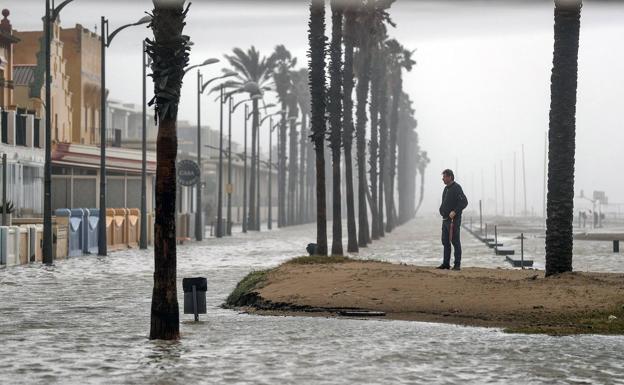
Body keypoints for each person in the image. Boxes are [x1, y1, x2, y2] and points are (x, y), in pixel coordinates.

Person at [438, 169, 468, 270]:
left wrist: (454, 212)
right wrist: (441, 210)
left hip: (454, 220)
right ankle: (446, 263)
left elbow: (464, 202)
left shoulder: (457, 188)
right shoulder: (446, 189)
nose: (443, 179)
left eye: (444, 176)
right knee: (445, 242)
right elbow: (444, 203)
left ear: (450, 177)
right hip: (445, 220)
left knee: (455, 241)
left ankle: (457, 265)